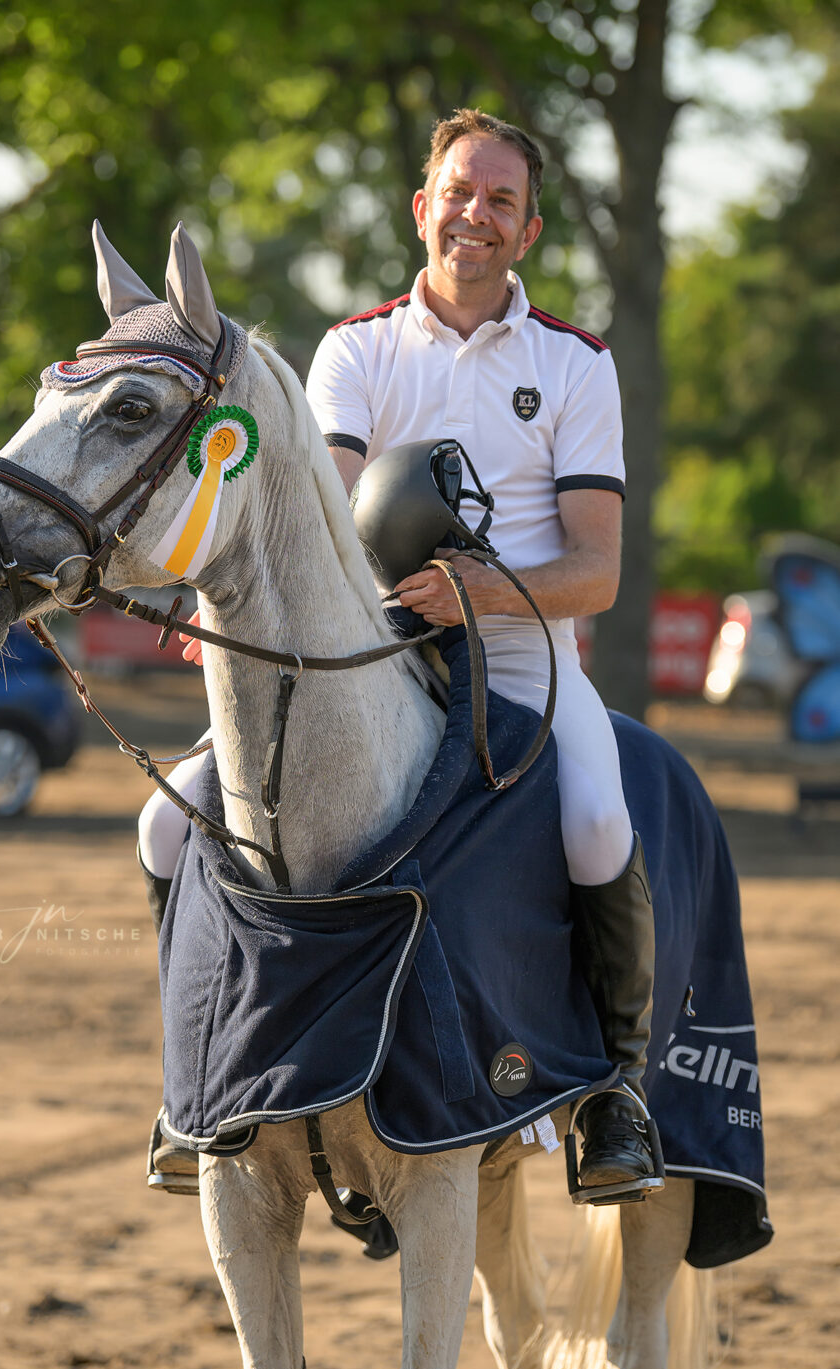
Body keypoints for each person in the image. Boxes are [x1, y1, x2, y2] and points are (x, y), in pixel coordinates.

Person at [139, 107, 658, 1200]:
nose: (476, 215)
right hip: (368, 644)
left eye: (501, 201)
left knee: (598, 817)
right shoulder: (355, 348)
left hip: (524, 654)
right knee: (159, 821)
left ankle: (613, 1092)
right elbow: (309, 510)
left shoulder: (575, 364)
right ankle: (195, 1067)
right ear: (422, 209)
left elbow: (596, 572)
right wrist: (221, 598)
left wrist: (482, 594)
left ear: (525, 233)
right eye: (459, 193)